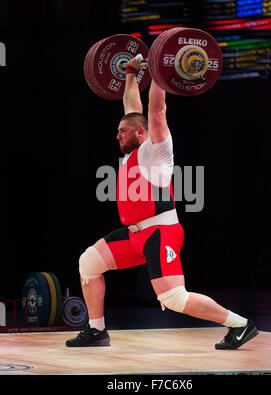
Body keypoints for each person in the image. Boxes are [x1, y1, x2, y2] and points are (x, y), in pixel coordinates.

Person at [66, 54, 258, 350]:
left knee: (174, 298)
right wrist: (131, 73)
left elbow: (156, 110)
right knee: (88, 262)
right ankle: (96, 330)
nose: (117, 135)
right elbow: (133, 106)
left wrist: (158, 73)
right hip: (134, 235)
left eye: (123, 131)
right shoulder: (132, 151)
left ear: (140, 133)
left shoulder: (157, 152)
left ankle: (240, 324)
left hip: (160, 232)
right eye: (118, 130)